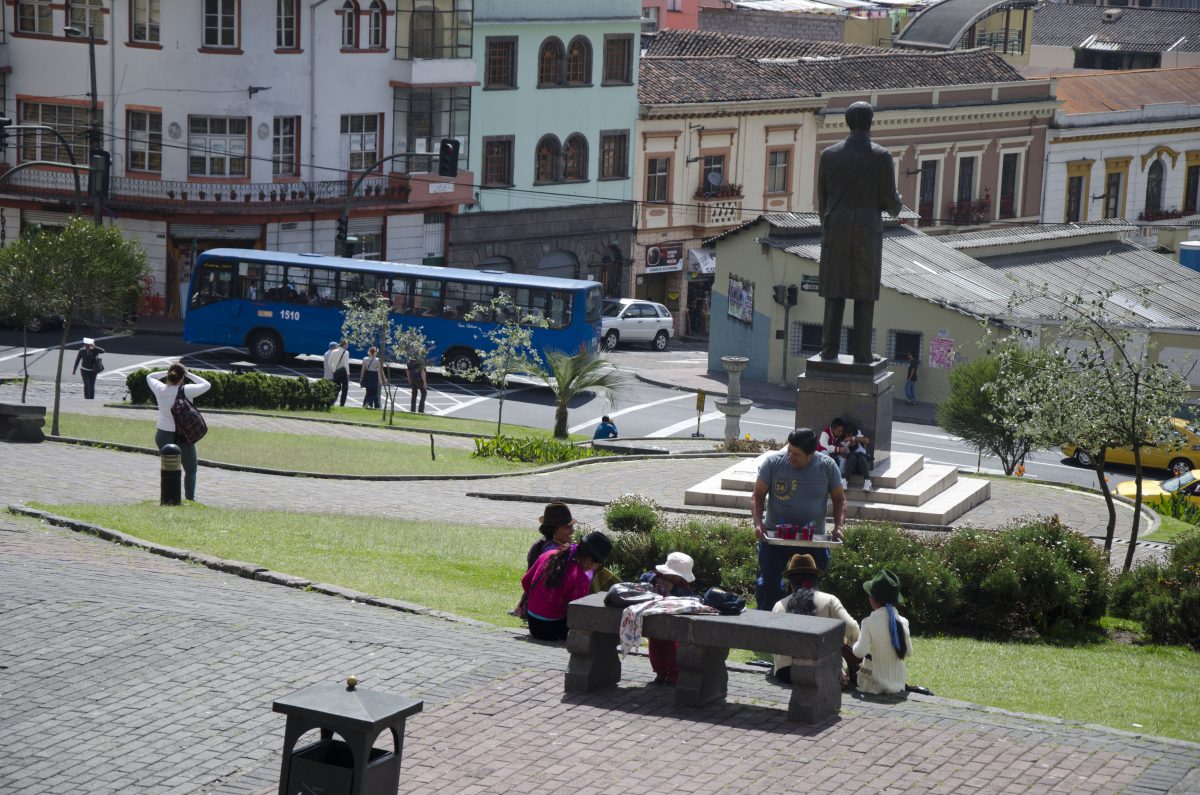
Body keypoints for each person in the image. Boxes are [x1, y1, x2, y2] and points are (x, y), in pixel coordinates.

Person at [817, 101, 903, 362]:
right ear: (870, 122)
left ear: (847, 122)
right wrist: (897, 201)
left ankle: (829, 350)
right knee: (864, 293)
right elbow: (891, 205)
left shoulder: (829, 155)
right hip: (867, 229)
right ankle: (862, 353)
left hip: (836, 227)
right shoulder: (881, 157)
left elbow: (822, 201)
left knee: (835, 291)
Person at [751, 428, 846, 611]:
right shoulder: (772, 463)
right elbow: (757, 495)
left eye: (797, 454)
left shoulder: (827, 466)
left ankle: (804, 630)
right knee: (769, 586)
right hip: (775, 538)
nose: (790, 457)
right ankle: (765, 629)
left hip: (813, 541)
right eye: (789, 451)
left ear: (811, 454)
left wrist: (838, 526)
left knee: (810, 591)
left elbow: (839, 499)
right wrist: (758, 523)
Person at [772, 554, 860, 686]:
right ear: (816, 580)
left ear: (791, 582)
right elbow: (852, 629)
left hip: (786, 673)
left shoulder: (779, 605)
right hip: (823, 671)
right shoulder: (829, 601)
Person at [521, 531, 612, 642]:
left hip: (532, 622)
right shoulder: (580, 578)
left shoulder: (548, 555)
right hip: (552, 629)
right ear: (588, 560)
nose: (595, 568)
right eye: (597, 564)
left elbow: (526, 581)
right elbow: (577, 613)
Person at [146, 363, 212, 502]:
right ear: (182, 378)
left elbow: (150, 376)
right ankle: (189, 499)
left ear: (170, 375)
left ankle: (168, 497)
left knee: (169, 469)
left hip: (163, 435)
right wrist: (188, 374)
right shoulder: (186, 390)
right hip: (183, 435)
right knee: (191, 470)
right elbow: (206, 385)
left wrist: (168, 371)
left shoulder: (160, 389)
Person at [639, 552, 696, 685]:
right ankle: (660, 671)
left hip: (672, 623)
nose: (672, 578)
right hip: (655, 618)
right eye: (671, 575)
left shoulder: (682, 587)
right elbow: (643, 579)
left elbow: (689, 598)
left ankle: (673, 675)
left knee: (672, 650)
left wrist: (674, 589)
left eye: (676, 577)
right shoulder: (656, 577)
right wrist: (652, 581)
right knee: (655, 647)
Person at [852, 569, 912, 695]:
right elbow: (908, 653)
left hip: (874, 685)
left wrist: (853, 643)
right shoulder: (903, 622)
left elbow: (859, 652)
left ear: (872, 599)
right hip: (899, 684)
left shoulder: (868, 622)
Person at [527, 502, 576, 569]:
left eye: (572, 527)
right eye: (567, 527)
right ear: (554, 529)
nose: (572, 531)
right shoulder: (552, 552)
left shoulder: (542, 543)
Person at [840, 421, 874, 492]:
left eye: (849, 435)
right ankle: (845, 480)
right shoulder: (844, 442)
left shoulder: (857, 435)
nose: (847, 437)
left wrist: (853, 438)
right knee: (853, 456)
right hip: (852, 467)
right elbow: (845, 455)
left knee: (861, 457)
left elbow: (867, 440)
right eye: (846, 435)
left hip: (863, 466)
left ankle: (867, 482)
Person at [330, 341, 350, 407]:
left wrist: (333, 369)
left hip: (336, 372)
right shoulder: (346, 352)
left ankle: (332, 402)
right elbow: (346, 364)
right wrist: (348, 373)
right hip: (343, 372)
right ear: (344, 345)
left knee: (335, 388)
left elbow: (329, 362)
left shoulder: (333, 351)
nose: (347, 346)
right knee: (345, 388)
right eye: (347, 345)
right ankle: (342, 404)